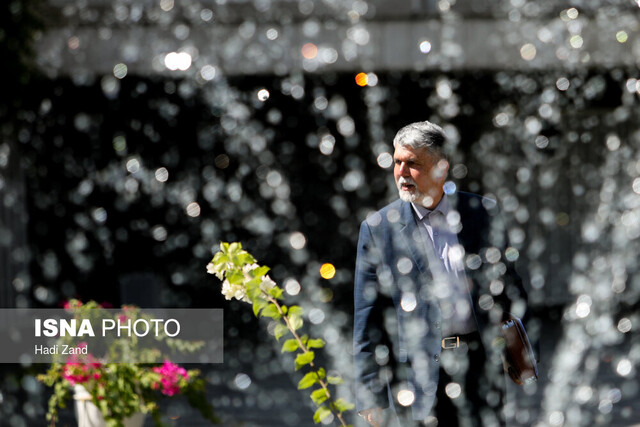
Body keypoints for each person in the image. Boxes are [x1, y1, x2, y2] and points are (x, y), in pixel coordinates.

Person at [353, 121, 529, 426]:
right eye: (397, 162)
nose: (402, 173)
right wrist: (371, 396)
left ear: (441, 168)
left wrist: (518, 348)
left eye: (413, 164)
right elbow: (367, 318)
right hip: (415, 376)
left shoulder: (482, 214)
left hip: (479, 368)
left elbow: (512, 290)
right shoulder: (378, 228)